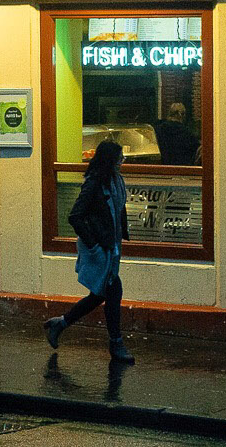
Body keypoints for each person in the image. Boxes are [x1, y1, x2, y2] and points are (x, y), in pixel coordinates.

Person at [45, 139, 134, 362]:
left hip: (112, 248)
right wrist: (94, 243)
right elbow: (75, 216)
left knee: (100, 294)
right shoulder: (94, 184)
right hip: (101, 248)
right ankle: (116, 344)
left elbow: (118, 210)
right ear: (109, 160)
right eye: (118, 158)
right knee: (112, 292)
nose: (121, 161)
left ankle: (59, 324)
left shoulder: (116, 181)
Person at [153, 100, 200, 165]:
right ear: (182, 115)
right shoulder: (187, 134)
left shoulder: (157, 130)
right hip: (183, 170)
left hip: (162, 168)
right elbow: (197, 152)